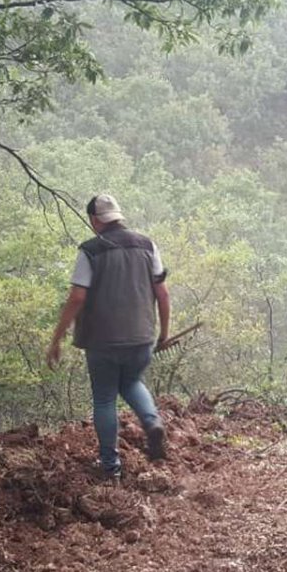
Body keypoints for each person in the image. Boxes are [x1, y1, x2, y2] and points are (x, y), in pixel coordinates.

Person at [46, 194, 170, 478]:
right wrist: (163, 334)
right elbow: (162, 293)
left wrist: (56, 339)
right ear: (117, 216)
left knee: (104, 399)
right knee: (132, 381)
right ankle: (152, 422)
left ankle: (110, 466)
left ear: (94, 220)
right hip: (141, 336)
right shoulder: (147, 245)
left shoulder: (90, 250)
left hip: (101, 340)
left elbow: (77, 297)